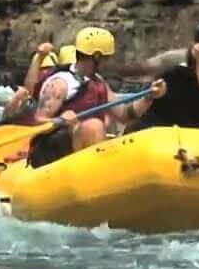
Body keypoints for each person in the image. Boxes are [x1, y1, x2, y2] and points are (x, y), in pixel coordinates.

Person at [8, 26, 166, 165]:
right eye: (107, 58)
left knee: (125, 128)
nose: (109, 62)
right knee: (94, 126)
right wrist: (59, 121)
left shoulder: (99, 83)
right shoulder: (60, 83)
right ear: (96, 56)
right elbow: (35, 122)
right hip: (52, 154)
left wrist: (149, 96)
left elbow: (125, 115)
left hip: (82, 152)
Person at [126, 19, 199, 131]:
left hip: (194, 130)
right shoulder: (174, 59)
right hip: (158, 125)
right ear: (195, 43)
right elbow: (142, 69)